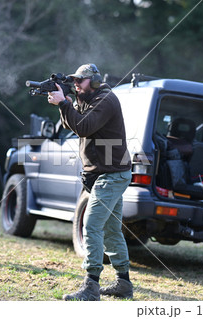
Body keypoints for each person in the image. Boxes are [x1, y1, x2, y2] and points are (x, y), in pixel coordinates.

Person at [48, 64, 133, 301]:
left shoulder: (106, 99)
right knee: (111, 230)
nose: (76, 85)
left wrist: (63, 102)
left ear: (94, 81)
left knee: (92, 225)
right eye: (74, 81)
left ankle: (91, 286)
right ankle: (123, 283)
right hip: (107, 172)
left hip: (112, 174)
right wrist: (63, 102)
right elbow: (71, 124)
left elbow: (84, 127)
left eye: (80, 81)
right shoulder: (87, 97)